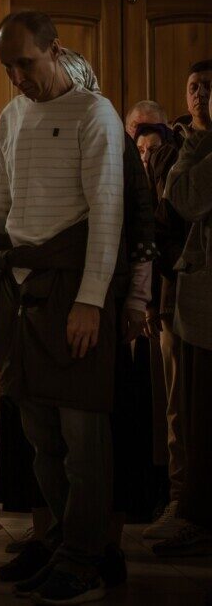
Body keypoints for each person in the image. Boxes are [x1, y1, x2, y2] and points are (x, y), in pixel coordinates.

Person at [0, 12, 124, 604]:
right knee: (40, 436)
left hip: (71, 286)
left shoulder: (94, 113)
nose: (16, 77)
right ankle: (65, 545)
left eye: (25, 63)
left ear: (55, 50)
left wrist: (90, 301)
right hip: (20, 289)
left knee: (83, 438)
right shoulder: (12, 116)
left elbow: (107, 211)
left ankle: (86, 559)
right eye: (7, 67)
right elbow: (0, 210)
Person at [154, 92, 212, 558]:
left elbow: (185, 197)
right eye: (197, 87)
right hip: (197, 304)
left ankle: (199, 519)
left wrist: (197, 142)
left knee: (202, 418)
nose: (204, 97)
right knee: (193, 415)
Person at [140, 116, 191, 541]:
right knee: (171, 406)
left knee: (183, 403)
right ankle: (175, 495)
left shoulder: (178, 161)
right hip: (165, 300)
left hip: (179, 294)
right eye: (140, 151)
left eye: (152, 151)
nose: (146, 158)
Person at [173, 60, 212, 140]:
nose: (200, 93)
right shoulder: (173, 140)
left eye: (208, 87)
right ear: (186, 97)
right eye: (193, 88)